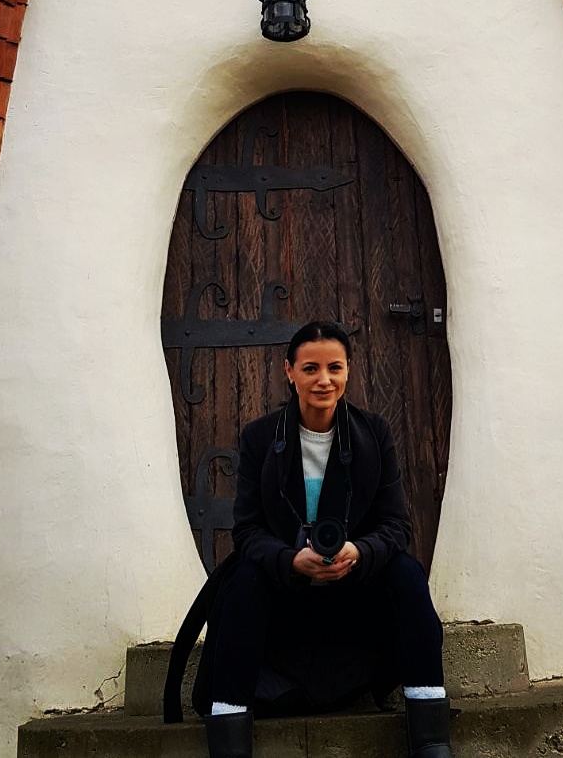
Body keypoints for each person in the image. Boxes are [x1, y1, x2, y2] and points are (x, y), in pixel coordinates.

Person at [169, 320, 452, 758]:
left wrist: (359, 552)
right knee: (242, 581)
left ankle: (432, 740)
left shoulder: (374, 434)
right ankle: (229, 738)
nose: (324, 380)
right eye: (310, 368)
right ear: (289, 371)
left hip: (355, 592)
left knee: (407, 574)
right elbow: (247, 531)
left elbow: (396, 526)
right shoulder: (260, 438)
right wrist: (289, 560)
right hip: (285, 593)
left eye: (334, 367)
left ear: (348, 370)